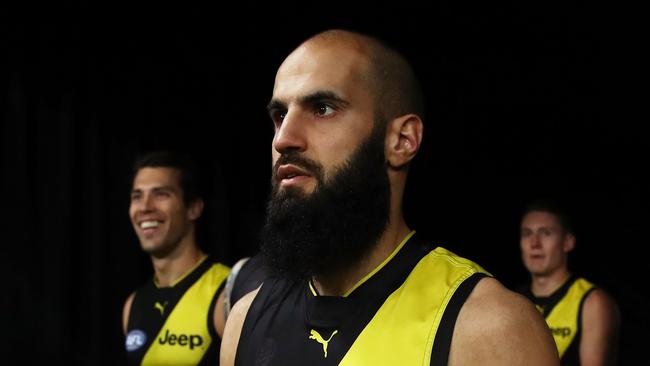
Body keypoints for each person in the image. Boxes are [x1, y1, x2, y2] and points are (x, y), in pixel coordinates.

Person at [220, 29, 559, 365]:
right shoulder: (243, 319)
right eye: (279, 116)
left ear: (402, 140)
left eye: (322, 109)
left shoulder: (488, 328)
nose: (283, 139)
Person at [122, 151, 231, 365]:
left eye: (160, 194)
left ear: (193, 208)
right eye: (137, 196)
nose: (145, 207)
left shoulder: (227, 293)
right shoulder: (132, 305)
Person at [518, 199, 620, 365]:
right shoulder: (513, 299)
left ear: (568, 242)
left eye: (546, 233)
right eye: (527, 233)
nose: (534, 244)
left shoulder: (592, 302)